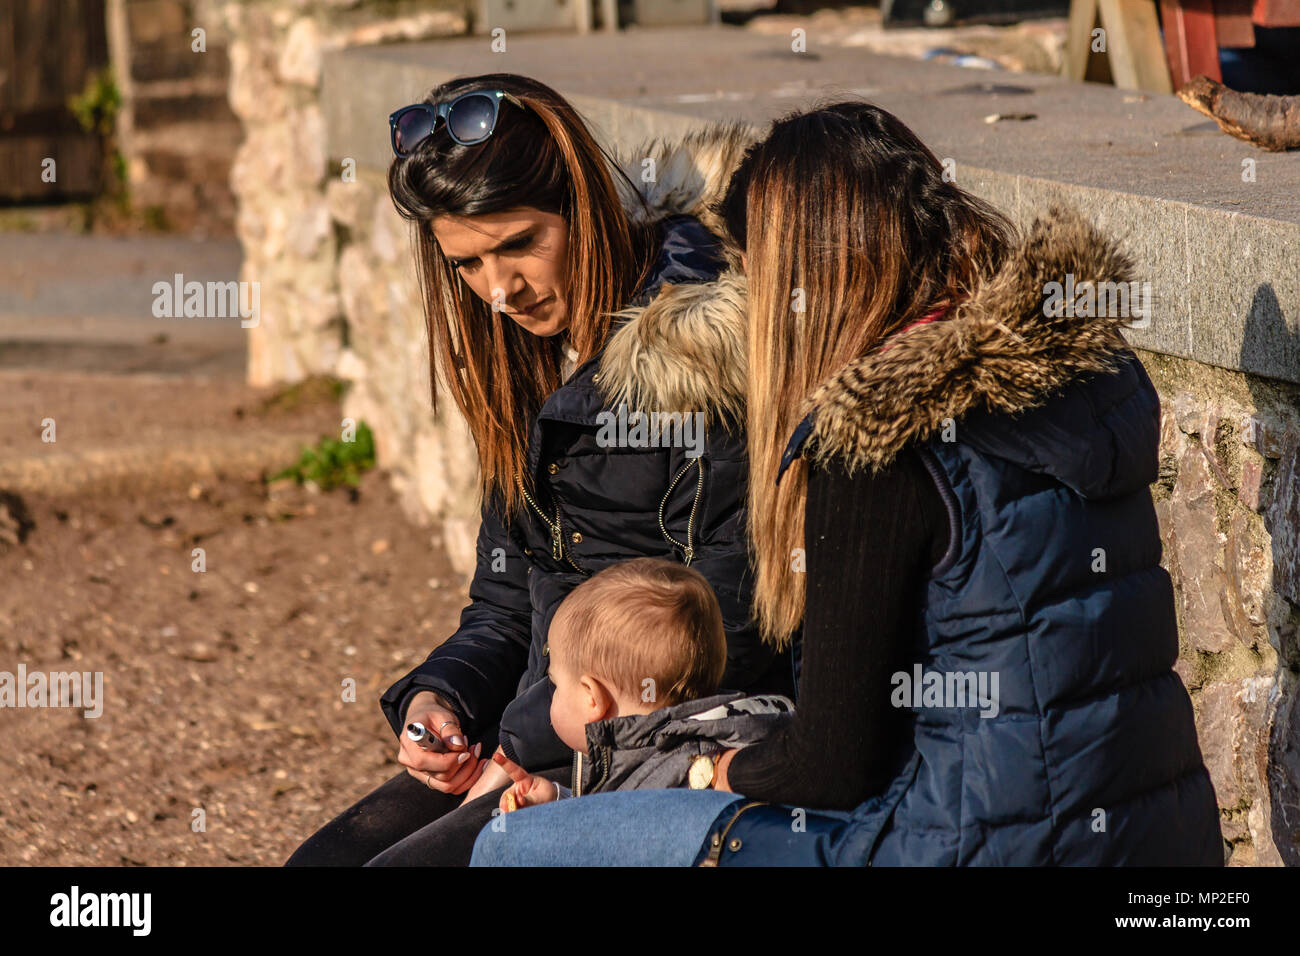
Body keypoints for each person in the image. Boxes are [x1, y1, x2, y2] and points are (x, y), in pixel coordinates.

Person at [469, 101, 1224, 867]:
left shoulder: (878, 445)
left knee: (511, 847)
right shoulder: (1086, 375)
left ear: (802, 275)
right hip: (1160, 843)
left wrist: (708, 770)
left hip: (967, 848)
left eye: (751, 269)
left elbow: (830, 766)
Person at [286, 74, 793, 867]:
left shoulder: (704, 358)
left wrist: (524, 743)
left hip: (663, 750)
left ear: (583, 208)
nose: (498, 290)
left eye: (519, 244)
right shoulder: (527, 368)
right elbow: (502, 605)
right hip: (541, 726)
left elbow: (733, 628)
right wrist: (441, 703)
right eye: (467, 263)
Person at [477, 557, 793, 816]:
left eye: (556, 684)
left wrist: (542, 829)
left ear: (592, 698)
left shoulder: (660, 782)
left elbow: (605, 843)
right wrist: (557, 801)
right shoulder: (730, 734)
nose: (551, 694)